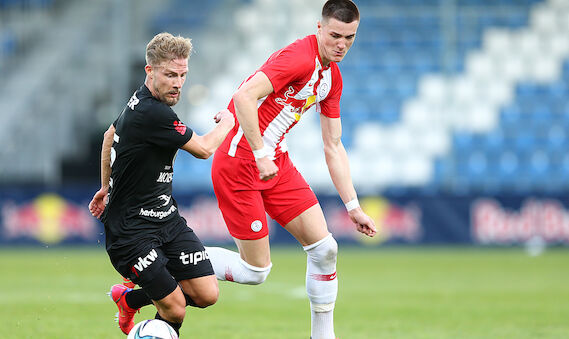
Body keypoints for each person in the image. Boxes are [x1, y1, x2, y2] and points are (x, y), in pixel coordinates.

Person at [206, 1, 377, 338]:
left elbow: (333, 146)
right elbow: (243, 97)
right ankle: (166, 257)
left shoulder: (332, 78)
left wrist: (353, 206)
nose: (342, 44)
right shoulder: (299, 57)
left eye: (350, 38)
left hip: (276, 161)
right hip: (240, 161)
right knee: (255, 272)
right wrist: (259, 153)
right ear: (319, 28)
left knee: (326, 248)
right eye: (335, 35)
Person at [88, 32, 235, 335]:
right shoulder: (152, 113)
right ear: (150, 71)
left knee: (207, 294)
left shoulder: (140, 99)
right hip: (131, 232)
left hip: (166, 219)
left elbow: (108, 136)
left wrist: (105, 188)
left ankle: (130, 299)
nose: (178, 82)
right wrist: (231, 121)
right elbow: (205, 149)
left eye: (183, 75)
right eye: (170, 74)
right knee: (175, 307)